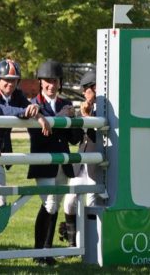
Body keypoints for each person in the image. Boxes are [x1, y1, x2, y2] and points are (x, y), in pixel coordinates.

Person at [0, 59, 50, 243]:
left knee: (0, 207)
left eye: (14, 80)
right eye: (6, 79)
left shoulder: (17, 94)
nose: (10, 83)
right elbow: (1, 110)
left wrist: (37, 113)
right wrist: (26, 112)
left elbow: (27, 107)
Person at [27, 59, 83, 266]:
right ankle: (39, 251)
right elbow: (40, 136)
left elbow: (74, 139)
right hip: (43, 162)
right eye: (47, 81)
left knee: (55, 204)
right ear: (41, 82)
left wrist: (73, 119)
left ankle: (45, 251)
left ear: (60, 82)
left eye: (54, 81)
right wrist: (61, 118)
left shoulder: (66, 104)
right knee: (49, 204)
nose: (51, 85)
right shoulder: (33, 105)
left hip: (63, 163)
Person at [60, 69, 101, 247]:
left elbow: (97, 134)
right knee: (69, 201)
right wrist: (77, 118)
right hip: (80, 162)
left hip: (95, 163)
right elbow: (77, 137)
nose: (84, 94)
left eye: (86, 89)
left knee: (92, 202)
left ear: (95, 88)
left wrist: (88, 117)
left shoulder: (105, 108)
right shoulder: (85, 106)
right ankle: (72, 242)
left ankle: (90, 243)